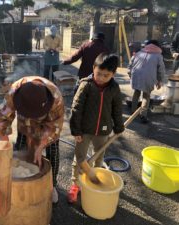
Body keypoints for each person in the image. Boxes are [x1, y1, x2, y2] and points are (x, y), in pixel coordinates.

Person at [0, 76, 64, 203]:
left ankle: (52, 185)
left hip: (47, 126)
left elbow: (55, 126)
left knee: (53, 154)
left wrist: (41, 145)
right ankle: (19, 185)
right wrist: (6, 145)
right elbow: (2, 120)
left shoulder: (55, 97)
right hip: (25, 126)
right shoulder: (14, 92)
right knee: (20, 150)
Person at [68, 54, 124, 203]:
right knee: (80, 159)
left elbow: (117, 109)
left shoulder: (114, 88)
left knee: (99, 156)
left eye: (106, 75)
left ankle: (95, 180)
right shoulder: (86, 85)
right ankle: (76, 184)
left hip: (103, 130)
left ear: (113, 74)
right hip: (84, 131)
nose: (101, 78)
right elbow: (76, 108)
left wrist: (119, 126)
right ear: (93, 68)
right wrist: (76, 130)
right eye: (99, 73)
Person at [128, 40, 165, 123]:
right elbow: (161, 70)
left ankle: (133, 111)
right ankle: (143, 115)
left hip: (136, 76)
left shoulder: (139, 53)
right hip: (148, 78)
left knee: (136, 93)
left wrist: (130, 74)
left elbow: (130, 65)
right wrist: (160, 81)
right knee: (146, 96)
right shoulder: (158, 56)